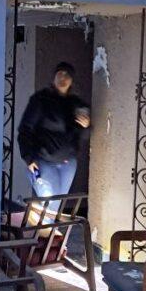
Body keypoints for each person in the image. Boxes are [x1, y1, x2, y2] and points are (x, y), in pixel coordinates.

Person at [18, 61, 90, 207]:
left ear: (72, 81)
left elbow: (81, 135)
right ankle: (41, 224)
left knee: (56, 206)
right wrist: (29, 158)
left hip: (68, 164)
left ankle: (44, 222)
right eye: (60, 74)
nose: (63, 78)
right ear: (54, 77)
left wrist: (86, 126)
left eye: (67, 75)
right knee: (51, 205)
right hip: (45, 161)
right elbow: (25, 129)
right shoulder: (41, 100)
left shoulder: (76, 103)